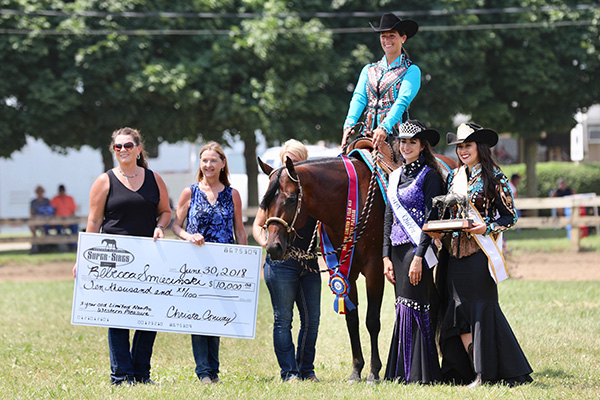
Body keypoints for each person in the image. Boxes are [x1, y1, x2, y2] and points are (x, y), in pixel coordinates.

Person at [430, 123, 532, 387]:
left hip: (478, 254)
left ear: (479, 148)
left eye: (468, 146)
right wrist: (437, 229)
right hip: (453, 255)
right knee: (458, 313)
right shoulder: (454, 177)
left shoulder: (494, 177)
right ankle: (466, 369)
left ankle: (484, 373)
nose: (463, 151)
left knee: (480, 312)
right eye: (460, 147)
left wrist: (488, 226)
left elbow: (511, 217)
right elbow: (447, 214)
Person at [73, 127, 172, 385]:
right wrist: (82, 259)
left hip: (150, 258)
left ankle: (141, 374)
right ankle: (121, 376)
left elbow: (165, 212)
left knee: (149, 315)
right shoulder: (104, 181)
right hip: (113, 259)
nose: (123, 150)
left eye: (128, 145)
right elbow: (94, 221)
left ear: (138, 149)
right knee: (117, 316)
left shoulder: (154, 178)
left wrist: (159, 228)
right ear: (113, 151)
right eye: (118, 146)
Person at [172, 141, 247, 384]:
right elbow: (175, 225)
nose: (208, 165)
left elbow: (240, 231)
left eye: (213, 160)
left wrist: (243, 261)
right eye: (204, 160)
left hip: (223, 265)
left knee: (216, 316)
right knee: (198, 316)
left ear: (223, 163)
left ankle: (213, 370)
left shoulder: (232, 194)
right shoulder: (190, 192)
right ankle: (203, 371)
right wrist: (188, 236)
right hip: (196, 263)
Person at [252, 139, 321, 382]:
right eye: (288, 160)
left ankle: (306, 370)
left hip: (309, 261)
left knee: (312, 320)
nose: (291, 165)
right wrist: (269, 244)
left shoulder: (313, 191)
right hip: (281, 264)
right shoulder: (275, 190)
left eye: (297, 160)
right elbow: (257, 226)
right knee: (283, 319)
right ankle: (289, 372)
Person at [382, 120, 444, 383]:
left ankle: (420, 372)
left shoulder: (430, 175)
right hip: (396, 251)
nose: (406, 146)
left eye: (412, 142)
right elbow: (388, 217)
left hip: (417, 249)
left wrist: (419, 257)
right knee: (401, 307)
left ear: (422, 146)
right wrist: (385, 256)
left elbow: (430, 220)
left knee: (415, 306)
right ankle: (402, 370)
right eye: (403, 141)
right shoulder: (394, 175)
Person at [342, 12, 421, 150]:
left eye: (392, 36)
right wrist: (349, 124)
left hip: (397, 135)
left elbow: (402, 101)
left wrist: (384, 127)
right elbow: (359, 98)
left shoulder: (411, 71)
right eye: (383, 36)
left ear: (403, 38)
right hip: (366, 133)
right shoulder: (369, 69)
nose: (387, 40)